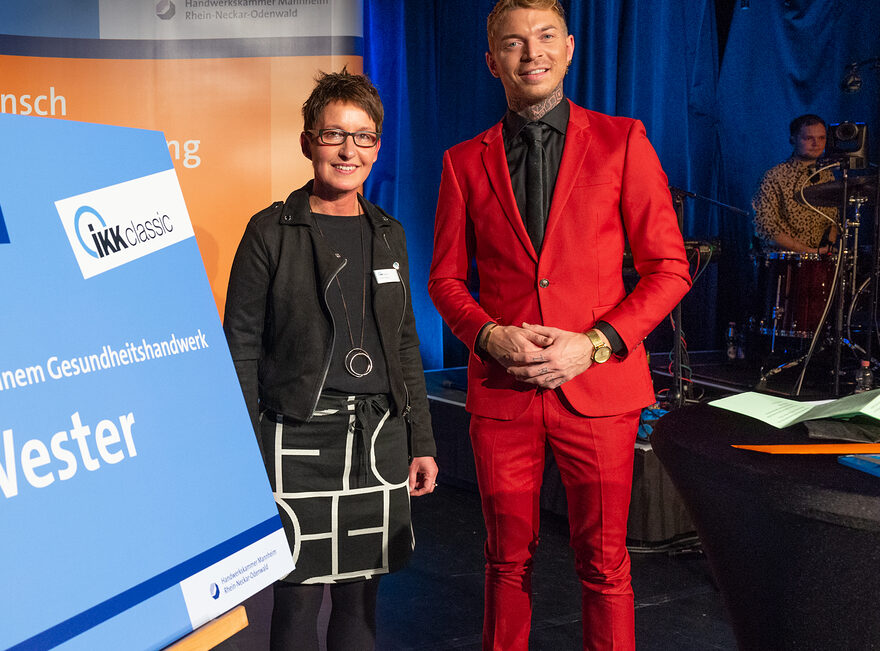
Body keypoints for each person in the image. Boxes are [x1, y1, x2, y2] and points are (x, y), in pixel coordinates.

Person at [427, 2, 691, 649]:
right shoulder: (464, 162)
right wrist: (488, 335)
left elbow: (669, 268)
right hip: (504, 393)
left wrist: (596, 343)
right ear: (492, 61)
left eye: (545, 37)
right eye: (513, 43)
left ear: (570, 48)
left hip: (598, 393)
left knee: (604, 565)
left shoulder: (623, 141)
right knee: (503, 562)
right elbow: (444, 280)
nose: (531, 53)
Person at [224, 69, 437, 651]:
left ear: (376, 147)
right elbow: (240, 343)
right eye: (333, 134)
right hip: (295, 440)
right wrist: (246, 450)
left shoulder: (389, 233)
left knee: (361, 598)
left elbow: (402, 343)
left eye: (364, 137)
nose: (348, 150)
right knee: (295, 598)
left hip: (378, 441)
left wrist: (422, 441)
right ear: (307, 142)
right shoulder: (270, 230)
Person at [752, 114, 837, 253]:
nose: (816, 144)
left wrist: (828, 247)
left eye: (822, 138)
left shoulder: (827, 175)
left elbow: (833, 220)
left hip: (820, 259)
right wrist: (807, 252)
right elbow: (764, 227)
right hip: (785, 260)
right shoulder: (775, 176)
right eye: (809, 138)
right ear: (793, 139)